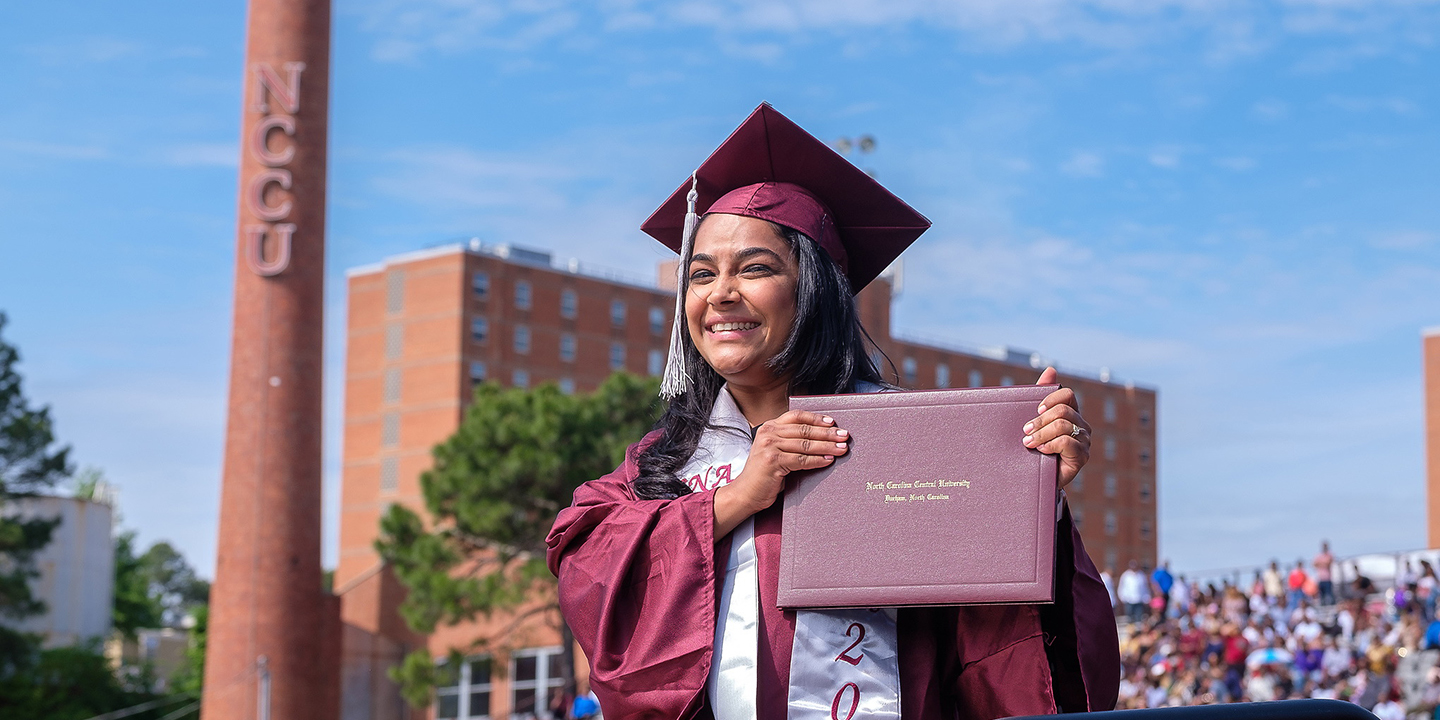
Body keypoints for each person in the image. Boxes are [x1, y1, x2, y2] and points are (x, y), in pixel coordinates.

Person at [546, 103, 1120, 720]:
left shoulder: (918, 445)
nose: (720, 295)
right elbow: (587, 569)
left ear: (815, 288)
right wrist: (734, 500)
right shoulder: (666, 462)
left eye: (755, 268)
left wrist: (1029, 503)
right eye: (702, 273)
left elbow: (1009, 656)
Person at [1314, 541, 1335, 606]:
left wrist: (1321, 564)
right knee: (1321, 595)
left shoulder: (1330, 555)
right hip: (1320, 578)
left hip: (1328, 578)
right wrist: (1323, 564)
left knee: (1329, 594)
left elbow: (1328, 564)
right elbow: (1314, 564)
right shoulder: (1319, 555)